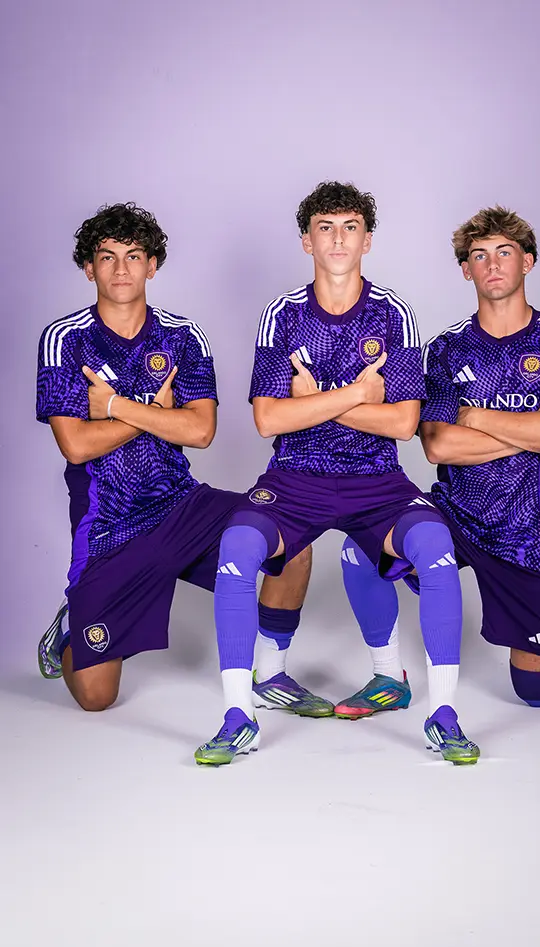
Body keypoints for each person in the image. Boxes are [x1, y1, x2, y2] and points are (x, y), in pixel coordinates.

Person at [194, 181, 479, 767]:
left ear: (367, 240)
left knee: (435, 544)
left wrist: (314, 400)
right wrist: (354, 395)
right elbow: (269, 419)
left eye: (351, 227)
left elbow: (403, 423)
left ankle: (444, 714)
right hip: (295, 477)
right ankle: (239, 715)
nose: (339, 239)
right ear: (307, 241)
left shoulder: (394, 314)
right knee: (238, 543)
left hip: (377, 480)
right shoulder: (283, 315)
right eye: (325, 228)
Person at [36, 202, 329, 716]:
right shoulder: (65, 339)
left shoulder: (182, 336)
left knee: (293, 537)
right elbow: (76, 445)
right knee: (96, 698)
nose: (121, 269)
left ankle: (269, 673)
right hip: (111, 526)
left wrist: (114, 407)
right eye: (107, 257)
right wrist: (156, 412)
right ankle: (70, 629)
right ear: (88, 268)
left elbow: (200, 431)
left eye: (134, 256)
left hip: (181, 506)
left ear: (152, 266)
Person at [340, 205, 540, 715]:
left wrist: (477, 416)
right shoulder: (445, 350)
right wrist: (531, 431)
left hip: (526, 535)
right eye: (479, 255)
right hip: (454, 512)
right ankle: (388, 677)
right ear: (466, 270)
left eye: (504, 253)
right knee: (360, 549)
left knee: (537, 692)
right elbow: (438, 446)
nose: (492, 264)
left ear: (527, 262)